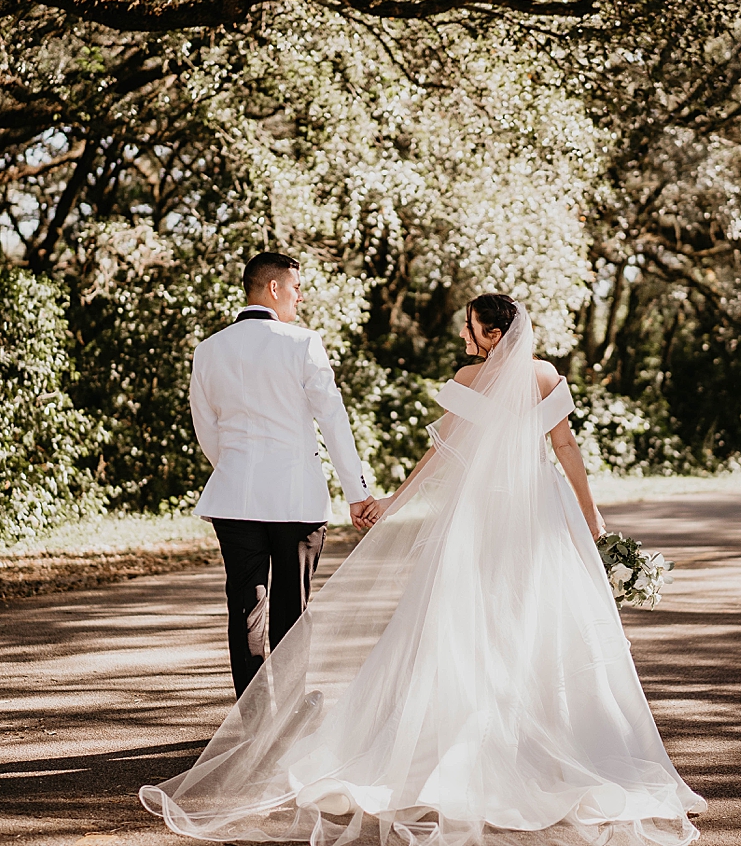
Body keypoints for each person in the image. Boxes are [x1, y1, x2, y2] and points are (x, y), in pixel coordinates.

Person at [147, 293, 705, 846]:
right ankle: (537, 740)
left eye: (470, 328)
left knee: (467, 623)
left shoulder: (467, 381)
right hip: (540, 513)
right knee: (540, 623)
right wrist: (594, 519)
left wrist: (391, 501)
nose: (464, 338)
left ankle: (466, 739)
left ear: (492, 335)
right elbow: (565, 448)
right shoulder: (546, 376)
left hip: (480, 518)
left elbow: (440, 454)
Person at [188, 251, 382, 698]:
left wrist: (236, 468)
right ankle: (291, 717)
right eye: (296, 288)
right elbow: (332, 419)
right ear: (273, 288)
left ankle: (254, 720)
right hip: (296, 499)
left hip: (234, 499)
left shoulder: (209, 348)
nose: (300, 297)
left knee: (246, 610)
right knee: (293, 610)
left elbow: (206, 427)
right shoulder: (302, 343)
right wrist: (357, 492)